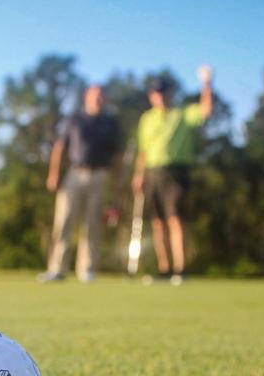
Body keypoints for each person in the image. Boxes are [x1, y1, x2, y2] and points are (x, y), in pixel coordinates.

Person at [132, 65, 214, 285]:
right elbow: (143, 151)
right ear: (151, 95)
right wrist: (139, 175)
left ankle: (180, 268)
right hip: (153, 173)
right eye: (155, 92)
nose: (159, 96)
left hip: (176, 172)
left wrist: (207, 84)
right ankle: (165, 269)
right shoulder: (146, 119)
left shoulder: (183, 114)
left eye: (163, 91)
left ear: (170, 93)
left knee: (176, 219)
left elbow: (206, 110)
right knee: (158, 222)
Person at [39, 85, 122, 283]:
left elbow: (117, 156)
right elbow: (59, 147)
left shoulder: (110, 123)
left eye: (101, 96)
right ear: (86, 97)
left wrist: (118, 184)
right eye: (94, 96)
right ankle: (57, 268)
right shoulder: (74, 119)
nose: (98, 99)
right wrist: (53, 174)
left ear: (105, 99)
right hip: (75, 174)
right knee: (64, 221)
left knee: (93, 223)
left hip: (100, 175)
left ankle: (88, 269)